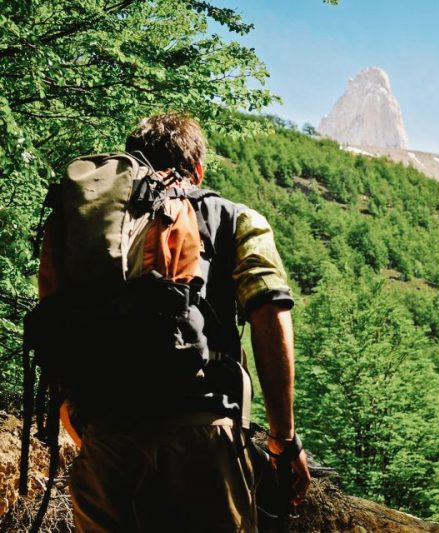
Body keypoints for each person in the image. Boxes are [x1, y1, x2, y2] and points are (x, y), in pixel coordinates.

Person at [36, 113, 311, 531]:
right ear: (197, 169)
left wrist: (87, 431)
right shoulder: (231, 217)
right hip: (200, 437)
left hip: (105, 442)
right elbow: (270, 311)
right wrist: (283, 441)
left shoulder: (86, 226)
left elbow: (57, 323)